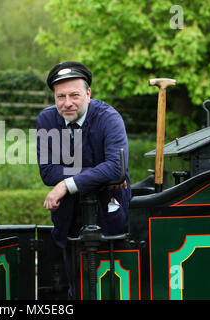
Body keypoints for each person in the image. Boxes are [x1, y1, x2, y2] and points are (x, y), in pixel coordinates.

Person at [36, 61, 131, 297]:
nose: (67, 103)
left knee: (113, 284)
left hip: (109, 212)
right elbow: (48, 172)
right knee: (76, 288)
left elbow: (117, 166)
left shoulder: (108, 118)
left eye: (74, 95)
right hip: (68, 217)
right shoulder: (47, 120)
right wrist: (100, 173)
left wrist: (66, 184)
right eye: (60, 96)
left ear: (88, 94)